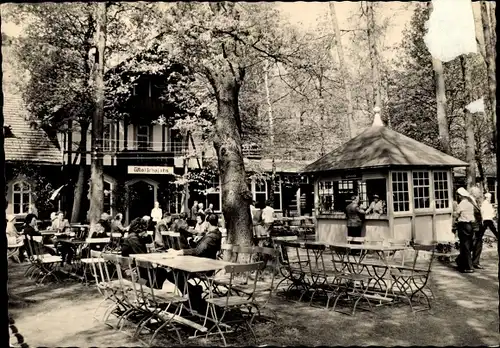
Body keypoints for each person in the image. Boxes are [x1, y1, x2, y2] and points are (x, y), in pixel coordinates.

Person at [455, 187, 477, 273]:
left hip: (463, 225)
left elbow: (457, 214)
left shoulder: (462, 204)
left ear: (461, 196)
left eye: (459, 195)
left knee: (464, 246)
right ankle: (462, 262)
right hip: (470, 225)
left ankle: (468, 266)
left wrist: (454, 223)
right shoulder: (470, 203)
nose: (459, 197)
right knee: (468, 245)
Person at [470, 186, 485, 269]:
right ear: (474, 193)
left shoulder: (476, 201)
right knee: (472, 244)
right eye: (479, 192)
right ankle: (461, 259)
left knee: (478, 244)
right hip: (474, 226)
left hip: (478, 226)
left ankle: (475, 262)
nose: (480, 194)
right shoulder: (470, 201)